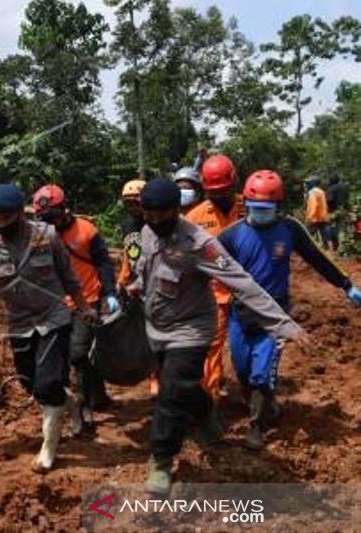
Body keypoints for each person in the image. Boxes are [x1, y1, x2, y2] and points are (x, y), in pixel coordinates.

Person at [128, 179, 310, 495]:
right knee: (184, 387)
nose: (155, 220)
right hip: (155, 325)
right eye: (149, 214)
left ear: (176, 209)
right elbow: (147, 267)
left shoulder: (200, 243)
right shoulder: (146, 231)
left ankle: (160, 459)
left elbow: (243, 282)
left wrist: (283, 324)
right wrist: (134, 287)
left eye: (162, 214)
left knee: (170, 392)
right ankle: (205, 414)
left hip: (192, 328)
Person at [0, 183, 98, 473]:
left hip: (54, 318)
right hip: (20, 324)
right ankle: (72, 404)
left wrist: (84, 308)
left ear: (19, 213)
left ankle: (48, 449)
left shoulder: (47, 236)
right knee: (30, 384)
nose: (0, 223)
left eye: (6, 217)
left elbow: (68, 277)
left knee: (47, 383)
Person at [218, 170, 361, 449]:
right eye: (256, 208)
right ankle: (268, 404)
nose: (261, 213)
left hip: (276, 314)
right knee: (243, 371)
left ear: (278, 206)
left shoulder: (290, 228)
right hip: (241, 313)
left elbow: (317, 257)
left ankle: (256, 426)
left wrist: (345, 284)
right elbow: (207, 261)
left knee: (261, 372)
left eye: (267, 209)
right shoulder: (232, 235)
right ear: (246, 203)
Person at [32, 184, 121, 429]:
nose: (51, 223)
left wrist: (110, 293)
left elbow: (103, 263)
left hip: (87, 301)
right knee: (64, 357)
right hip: (54, 304)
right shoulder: (39, 236)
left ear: (64, 209)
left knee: (78, 353)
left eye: (54, 217)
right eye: (45, 219)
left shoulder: (86, 231)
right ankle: (98, 395)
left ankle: (83, 410)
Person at [186, 154, 245, 408]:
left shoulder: (250, 207)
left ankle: (254, 393)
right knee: (211, 348)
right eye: (214, 192)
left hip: (248, 292)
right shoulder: (195, 217)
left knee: (249, 349)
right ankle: (210, 404)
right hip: (213, 293)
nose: (220, 196)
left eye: (225, 191)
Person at [116, 179, 158, 395]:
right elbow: (127, 254)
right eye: (128, 203)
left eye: (137, 203)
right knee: (143, 333)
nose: (133, 208)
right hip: (135, 286)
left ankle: (157, 375)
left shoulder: (156, 223)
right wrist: (122, 280)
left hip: (156, 285)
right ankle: (152, 373)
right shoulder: (126, 225)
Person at [305, 176, 332, 250]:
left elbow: (314, 205)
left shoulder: (312, 192)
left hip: (315, 218)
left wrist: (310, 216)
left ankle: (307, 249)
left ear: (312, 183)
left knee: (307, 235)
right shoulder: (321, 191)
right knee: (325, 235)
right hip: (323, 216)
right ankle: (328, 250)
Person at [327, 175, 351, 252]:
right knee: (342, 229)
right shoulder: (345, 187)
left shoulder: (331, 189)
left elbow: (330, 200)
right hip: (344, 210)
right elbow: (347, 198)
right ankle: (343, 248)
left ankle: (336, 246)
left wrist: (328, 210)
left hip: (334, 211)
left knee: (332, 228)